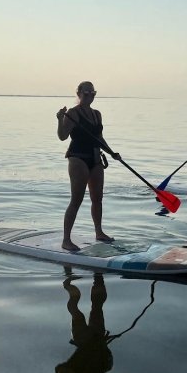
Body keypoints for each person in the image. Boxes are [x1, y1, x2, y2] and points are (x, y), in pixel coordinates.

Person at [57, 81, 121, 251]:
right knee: (76, 200)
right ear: (79, 94)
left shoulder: (97, 114)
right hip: (78, 158)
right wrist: (59, 119)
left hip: (95, 158)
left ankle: (99, 232)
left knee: (97, 199)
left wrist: (112, 152)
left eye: (92, 93)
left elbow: (99, 137)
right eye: (86, 93)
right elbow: (63, 136)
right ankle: (66, 240)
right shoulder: (72, 113)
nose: (89, 97)